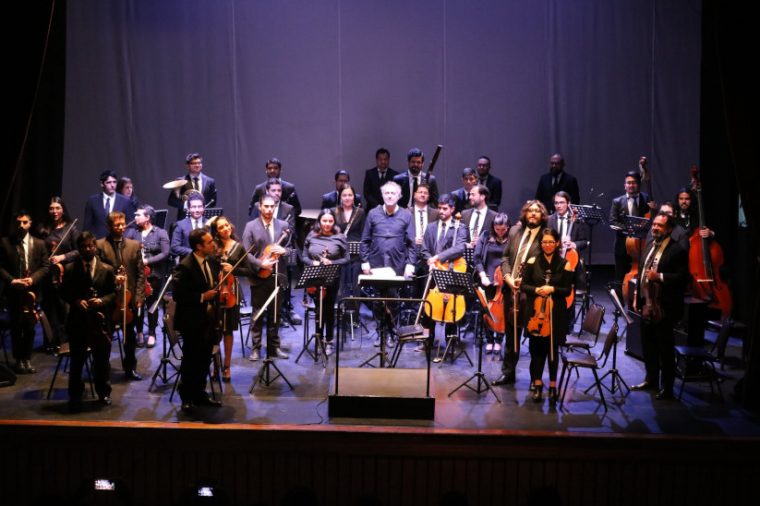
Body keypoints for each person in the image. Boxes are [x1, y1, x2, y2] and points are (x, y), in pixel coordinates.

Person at [630, 213, 688, 400]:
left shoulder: (677, 250)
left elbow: (682, 278)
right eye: (654, 224)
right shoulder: (649, 245)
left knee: (665, 349)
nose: (655, 228)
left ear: (669, 229)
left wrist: (660, 277)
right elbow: (641, 273)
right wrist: (637, 297)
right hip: (647, 304)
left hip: (665, 307)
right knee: (648, 346)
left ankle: (667, 388)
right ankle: (651, 379)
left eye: (660, 226)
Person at [493, 200, 548, 386]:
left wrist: (524, 282)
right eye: (530, 210)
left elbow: (546, 267)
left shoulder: (546, 235)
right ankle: (508, 373)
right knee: (511, 337)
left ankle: (535, 379)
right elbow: (505, 257)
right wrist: (507, 277)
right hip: (511, 291)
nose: (533, 213)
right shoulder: (514, 231)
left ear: (542, 215)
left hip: (531, 295)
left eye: (537, 211)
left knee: (534, 340)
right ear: (525, 213)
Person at [60, 231, 117, 411]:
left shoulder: (107, 269)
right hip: (78, 322)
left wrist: (102, 300)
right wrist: (76, 301)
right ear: (79, 248)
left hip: (100, 322)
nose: (88, 249)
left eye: (91, 246)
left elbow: (114, 294)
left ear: (95, 247)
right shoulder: (70, 268)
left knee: (102, 361)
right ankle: (75, 394)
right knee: (77, 361)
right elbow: (63, 292)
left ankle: (104, 393)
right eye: (84, 246)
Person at [520, 228, 574, 404]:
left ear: (557, 243)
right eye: (544, 242)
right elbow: (524, 286)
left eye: (551, 242)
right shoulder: (532, 261)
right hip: (535, 313)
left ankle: (552, 386)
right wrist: (537, 290)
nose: (547, 245)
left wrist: (553, 289)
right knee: (536, 351)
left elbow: (567, 291)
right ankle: (537, 385)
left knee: (552, 352)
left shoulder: (565, 264)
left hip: (556, 313)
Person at [172, 229, 223, 411]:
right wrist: (202, 296)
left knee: (204, 360)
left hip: (208, 321)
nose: (213, 244)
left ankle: (200, 394)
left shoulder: (211, 261)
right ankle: (186, 396)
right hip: (191, 322)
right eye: (209, 242)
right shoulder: (185, 266)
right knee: (191, 360)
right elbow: (178, 295)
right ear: (199, 247)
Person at [360, 181, 415, 346]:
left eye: (393, 193)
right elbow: (365, 240)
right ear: (382, 195)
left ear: (399, 196)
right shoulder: (373, 213)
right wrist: (365, 261)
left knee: (393, 299)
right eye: (387, 193)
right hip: (376, 263)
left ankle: (392, 333)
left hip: (397, 263)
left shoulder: (406, 215)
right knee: (377, 300)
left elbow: (412, 243)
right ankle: (380, 333)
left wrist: (410, 264)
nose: (390, 196)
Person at [96, 211, 146, 380]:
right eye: (117, 225)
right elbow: (98, 272)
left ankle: (130, 368)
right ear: (109, 226)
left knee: (130, 338)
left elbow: (141, 274)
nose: (121, 227)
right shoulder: (100, 245)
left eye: (123, 224)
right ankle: (104, 368)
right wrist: (113, 277)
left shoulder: (134, 245)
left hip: (128, 298)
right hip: (109, 299)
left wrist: (139, 297)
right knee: (106, 337)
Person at [242, 194, 292, 361]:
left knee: (275, 314)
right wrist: (260, 264)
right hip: (259, 275)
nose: (269, 209)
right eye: (266, 206)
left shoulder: (283, 225)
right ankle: (255, 349)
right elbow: (246, 253)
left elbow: (292, 249)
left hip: (277, 275)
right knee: (258, 313)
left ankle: (274, 348)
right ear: (260, 206)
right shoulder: (251, 226)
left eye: (272, 206)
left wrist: (285, 251)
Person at [0, 211, 49, 373]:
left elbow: (45, 266)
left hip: (32, 292)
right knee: (16, 326)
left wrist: (32, 279)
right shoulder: (5, 242)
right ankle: (18, 359)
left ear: (30, 224)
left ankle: (27, 358)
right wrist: (12, 281)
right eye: (18, 222)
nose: (21, 225)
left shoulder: (39, 244)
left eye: (24, 222)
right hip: (14, 292)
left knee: (30, 327)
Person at [418, 194, 467, 352]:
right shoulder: (431, 227)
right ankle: (427, 341)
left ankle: (451, 342)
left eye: (445, 208)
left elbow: (459, 248)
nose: (441, 211)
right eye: (439, 208)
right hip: (433, 271)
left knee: (452, 307)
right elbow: (424, 249)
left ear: (452, 209)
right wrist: (429, 260)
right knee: (429, 307)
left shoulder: (460, 227)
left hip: (450, 271)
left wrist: (438, 258)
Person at [249, 178, 299, 324]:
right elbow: (253, 227)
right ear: (267, 191)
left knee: (280, 286)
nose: (277, 193)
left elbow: (291, 230)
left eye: (279, 190)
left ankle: (279, 312)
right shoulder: (257, 206)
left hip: (279, 254)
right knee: (261, 287)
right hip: (263, 254)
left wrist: (280, 247)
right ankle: (261, 314)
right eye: (273, 190)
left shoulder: (288, 209)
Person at [302, 209, 350, 355]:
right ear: (319, 221)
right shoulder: (311, 235)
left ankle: (329, 340)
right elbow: (304, 257)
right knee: (319, 309)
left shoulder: (340, 237)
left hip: (332, 277)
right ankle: (318, 339)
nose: (327, 224)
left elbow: (346, 258)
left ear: (334, 222)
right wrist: (313, 263)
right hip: (315, 278)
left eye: (330, 221)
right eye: (324, 221)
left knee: (329, 309)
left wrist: (332, 262)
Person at [209, 216, 251, 381]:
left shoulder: (238, 247)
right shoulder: (212, 246)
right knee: (214, 331)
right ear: (216, 231)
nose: (225, 229)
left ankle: (226, 366)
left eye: (227, 225)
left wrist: (233, 269)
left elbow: (248, 270)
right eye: (221, 227)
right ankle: (215, 365)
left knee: (228, 331)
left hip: (231, 292)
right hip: (215, 291)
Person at [36, 197, 80, 348]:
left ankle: (64, 342)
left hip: (64, 274)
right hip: (47, 273)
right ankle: (50, 342)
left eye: (57, 208)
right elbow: (38, 249)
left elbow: (78, 251)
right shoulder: (43, 228)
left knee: (64, 308)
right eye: (51, 208)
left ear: (63, 209)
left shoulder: (71, 228)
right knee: (48, 308)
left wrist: (63, 257)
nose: (54, 211)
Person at [124, 204, 170, 348]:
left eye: (138, 215)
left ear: (148, 217)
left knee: (152, 304)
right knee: (137, 303)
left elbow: (165, 253)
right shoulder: (132, 233)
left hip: (154, 274)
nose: (135, 217)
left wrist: (147, 261)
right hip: (137, 275)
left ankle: (151, 333)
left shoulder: (160, 232)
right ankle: (139, 332)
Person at [474, 213, 510, 353]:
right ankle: (489, 339)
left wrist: (506, 277)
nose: (500, 232)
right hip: (487, 278)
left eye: (503, 229)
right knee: (487, 311)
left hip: (504, 280)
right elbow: (477, 258)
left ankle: (499, 340)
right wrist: (482, 275)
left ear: (508, 227)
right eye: (497, 229)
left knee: (502, 311)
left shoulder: (511, 238)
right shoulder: (485, 236)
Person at [609, 171, 653, 282]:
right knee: (620, 275)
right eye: (628, 183)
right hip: (622, 243)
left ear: (639, 184)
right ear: (625, 185)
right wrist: (630, 229)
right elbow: (613, 221)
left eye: (634, 182)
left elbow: (650, 219)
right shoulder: (617, 201)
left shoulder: (646, 198)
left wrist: (654, 209)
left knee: (641, 273)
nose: (631, 185)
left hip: (641, 244)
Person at [333, 183, 365, 298]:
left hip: (356, 255)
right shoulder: (334, 211)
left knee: (356, 286)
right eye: (344, 195)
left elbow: (363, 234)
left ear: (354, 196)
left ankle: (354, 309)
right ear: (340, 197)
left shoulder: (360, 212)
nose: (347, 198)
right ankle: (339, 308)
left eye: (350, 195)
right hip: (339, 255)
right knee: (340, 286)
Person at [83, 170, 135, 238]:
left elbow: (131, 225)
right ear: (102, 184)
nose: (112, 185)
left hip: (118, 241)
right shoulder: (92, 201)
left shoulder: (125, 201)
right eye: (109, 182)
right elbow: (87, 227)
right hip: (98, 241)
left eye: (114, 182)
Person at [167, 153, 217, 221]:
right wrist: (186, 205)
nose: (197, 165)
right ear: (187, 166)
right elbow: (171, 201)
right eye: (194, 163)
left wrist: (201, 207)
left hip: (203, 219)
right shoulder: (180, 181)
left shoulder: (210, 181)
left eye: (199, 163)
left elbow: (213, 201)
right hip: (185, 219)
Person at [170, 191, 206, 258]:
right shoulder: (180, 225)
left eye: (200, 206)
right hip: (187, 261)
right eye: (194, 207)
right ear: (189, 209)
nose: (197, 210)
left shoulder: (209, 223)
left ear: (204, 208)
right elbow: (174, 247)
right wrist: (194, 253)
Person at [460, 184, 496, 250]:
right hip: (466, 254)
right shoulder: (464, 214)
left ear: (482, 197)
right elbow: (459, 236)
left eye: (473, 195)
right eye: (470, 195)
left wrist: (482, 242)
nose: (470, 197)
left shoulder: (494, 216)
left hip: (485, 254)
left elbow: (496, 239)